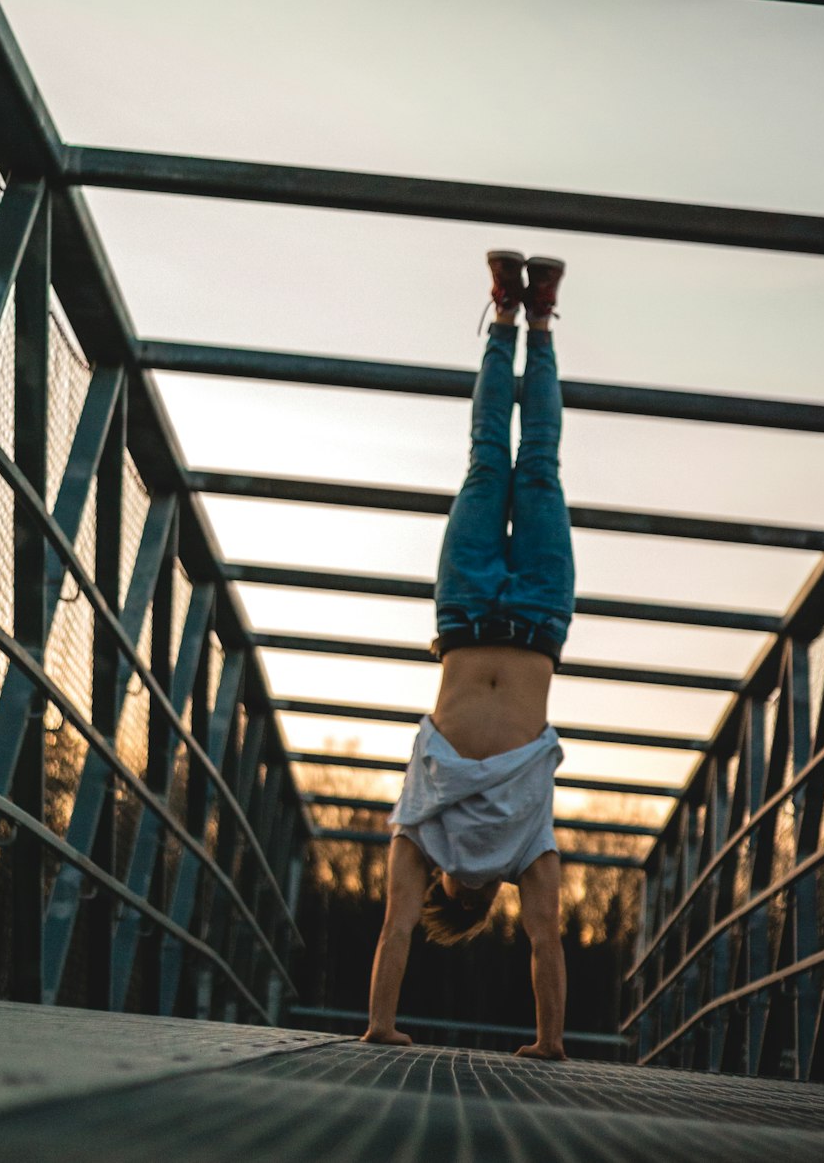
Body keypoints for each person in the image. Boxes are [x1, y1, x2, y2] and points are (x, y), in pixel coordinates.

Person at [360, 250, 575, 1061]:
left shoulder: (423, 830)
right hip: (537, 615)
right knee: (539, 465)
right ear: (480, 899)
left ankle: (507, 313)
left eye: (448, 893)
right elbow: (546, 943)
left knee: (491, 459)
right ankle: (542, 320)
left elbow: (395, 925)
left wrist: (381, 1022)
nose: (454, 886)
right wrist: (548, 1042)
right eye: (463, 897)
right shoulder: (525, 849)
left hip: (466, 609)